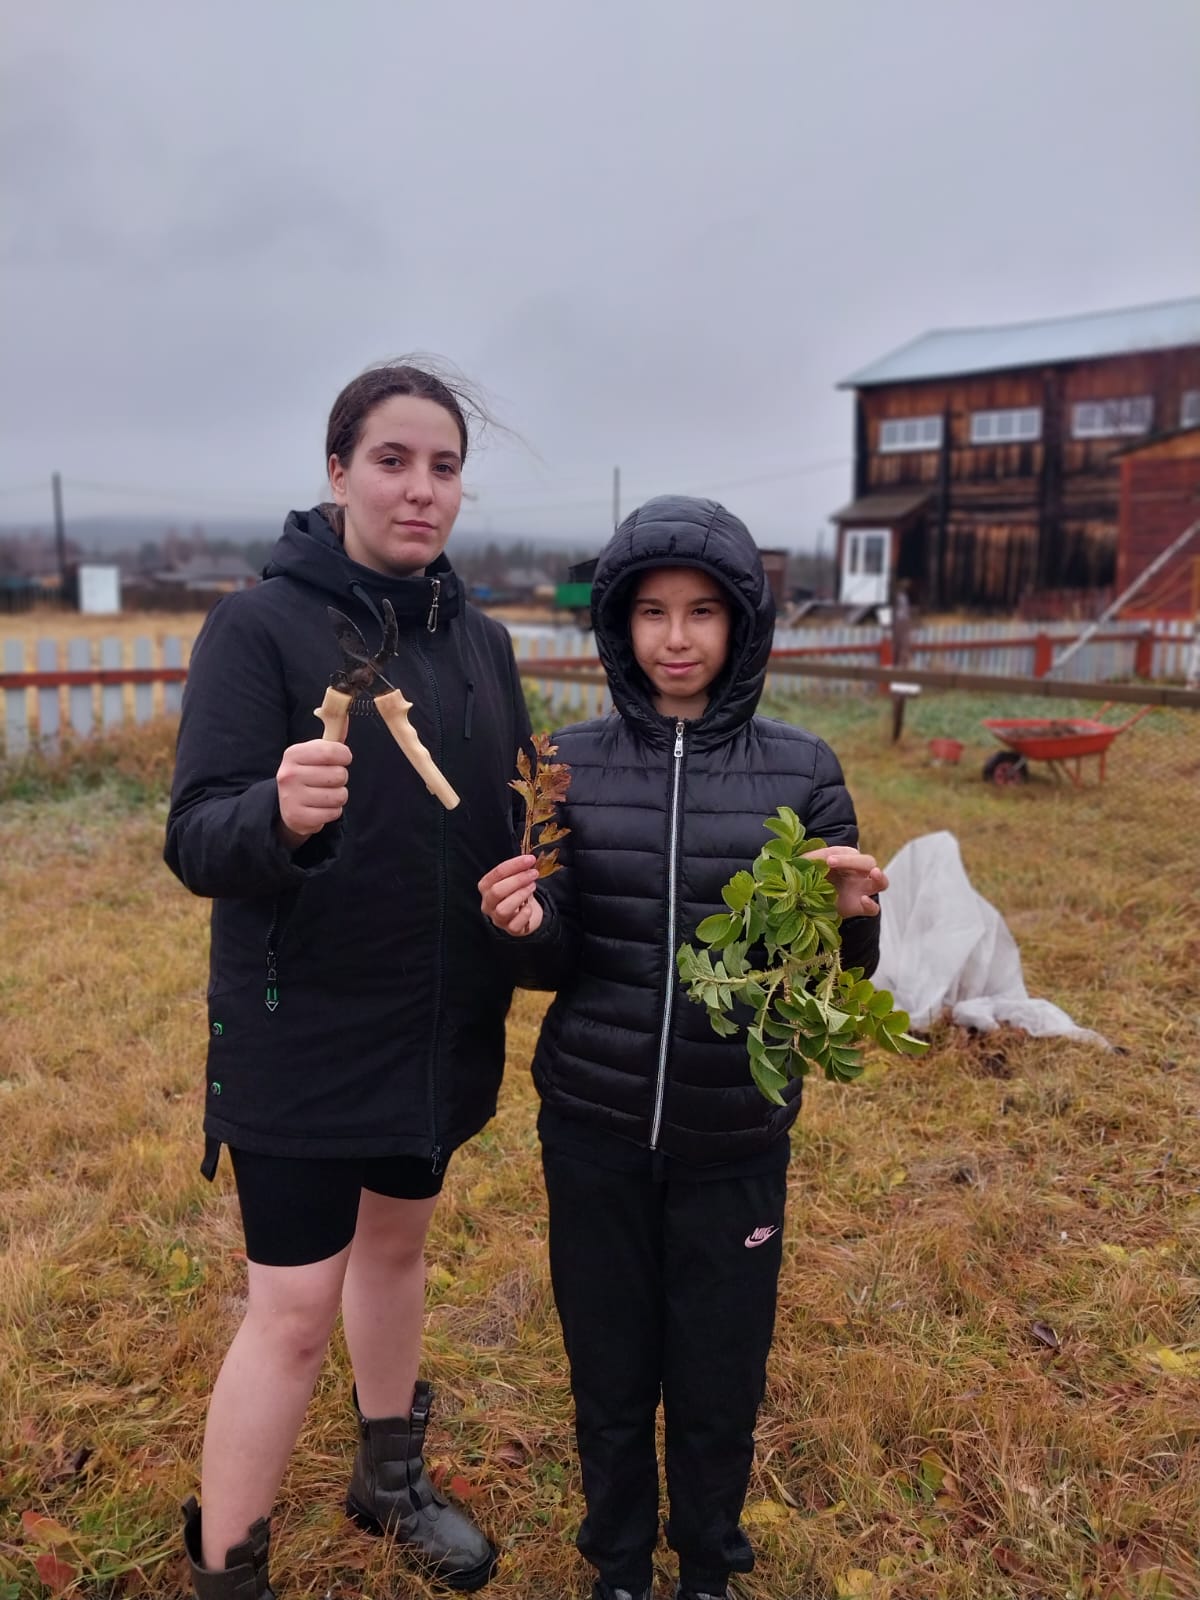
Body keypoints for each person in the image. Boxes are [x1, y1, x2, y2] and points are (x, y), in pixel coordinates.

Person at [165, 360, 532, 1598]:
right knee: (290, 1309)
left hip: (435, 1020)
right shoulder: (259, 627)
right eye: (392, 460)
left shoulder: (480, 645)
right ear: (337, 473)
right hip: (300, 1028)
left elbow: (509, 823)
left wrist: (532, 891)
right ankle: (227, 1564)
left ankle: (388, 1480)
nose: (420, 489)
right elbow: (196, 838)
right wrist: (272, 809)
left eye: (442, 467)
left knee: (396, 1256)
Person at [479, 496, 888, 1600]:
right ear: (616, 624)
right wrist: (521, 927)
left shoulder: (801, 770)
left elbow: (836, 977)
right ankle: (617, 1565)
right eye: (651, 611)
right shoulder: (561, 763)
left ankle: (708, 1566)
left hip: (733, 1135)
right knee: (608, 1374)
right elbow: (555, 953)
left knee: (717, 1379)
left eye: (702, 612)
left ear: (741, 626)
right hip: (595, 1130)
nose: (675, 636)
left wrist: (850, 915)